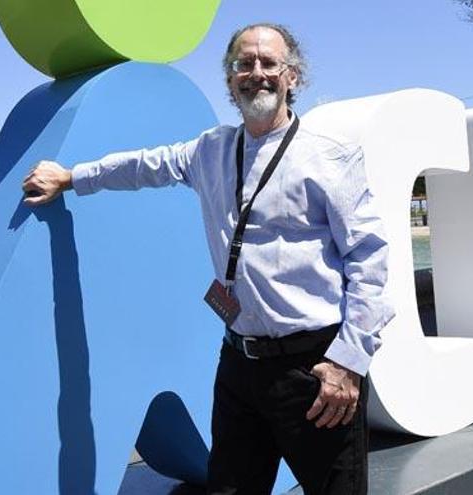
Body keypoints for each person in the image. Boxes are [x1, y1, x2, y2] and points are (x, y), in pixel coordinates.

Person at [22, 23, 394, 495]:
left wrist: (348, 362)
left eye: (268, 62)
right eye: (244, 63)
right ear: (230, 79)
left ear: (292, 76)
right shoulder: (210, 150)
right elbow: (143, 166)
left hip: (315, 370)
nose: (256, 72)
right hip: (238, 364)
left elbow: (370, 261)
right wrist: (73, 177)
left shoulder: (330, 158)